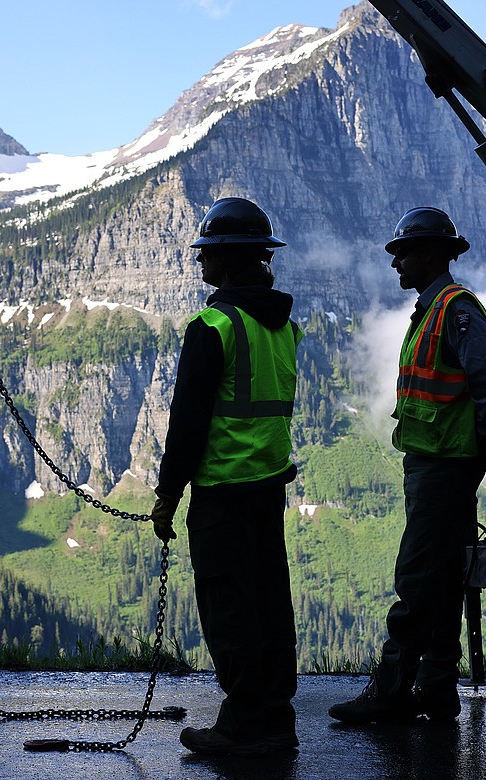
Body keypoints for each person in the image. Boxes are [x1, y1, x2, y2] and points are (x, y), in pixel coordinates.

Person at [329, 206, 486, 724]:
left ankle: (389, 690)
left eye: (403, 253)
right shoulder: (432, 311)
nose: (396, 264)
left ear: (432, 255)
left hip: (444, 467)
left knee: (416, 576)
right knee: (441, 576)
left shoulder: (455, 310)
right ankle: (435, 686)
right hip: (435, 463)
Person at [151, 196, 303, 756]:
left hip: (220, 493)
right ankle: (277, 720)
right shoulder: (284, 327)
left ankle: (243, 726)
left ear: (232, 258)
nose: (199, 262)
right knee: (268, 604)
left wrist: (167, 497)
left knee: (228, 610)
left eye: (208, 252)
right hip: (267, 488)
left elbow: (187, 423)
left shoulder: (212, 325)